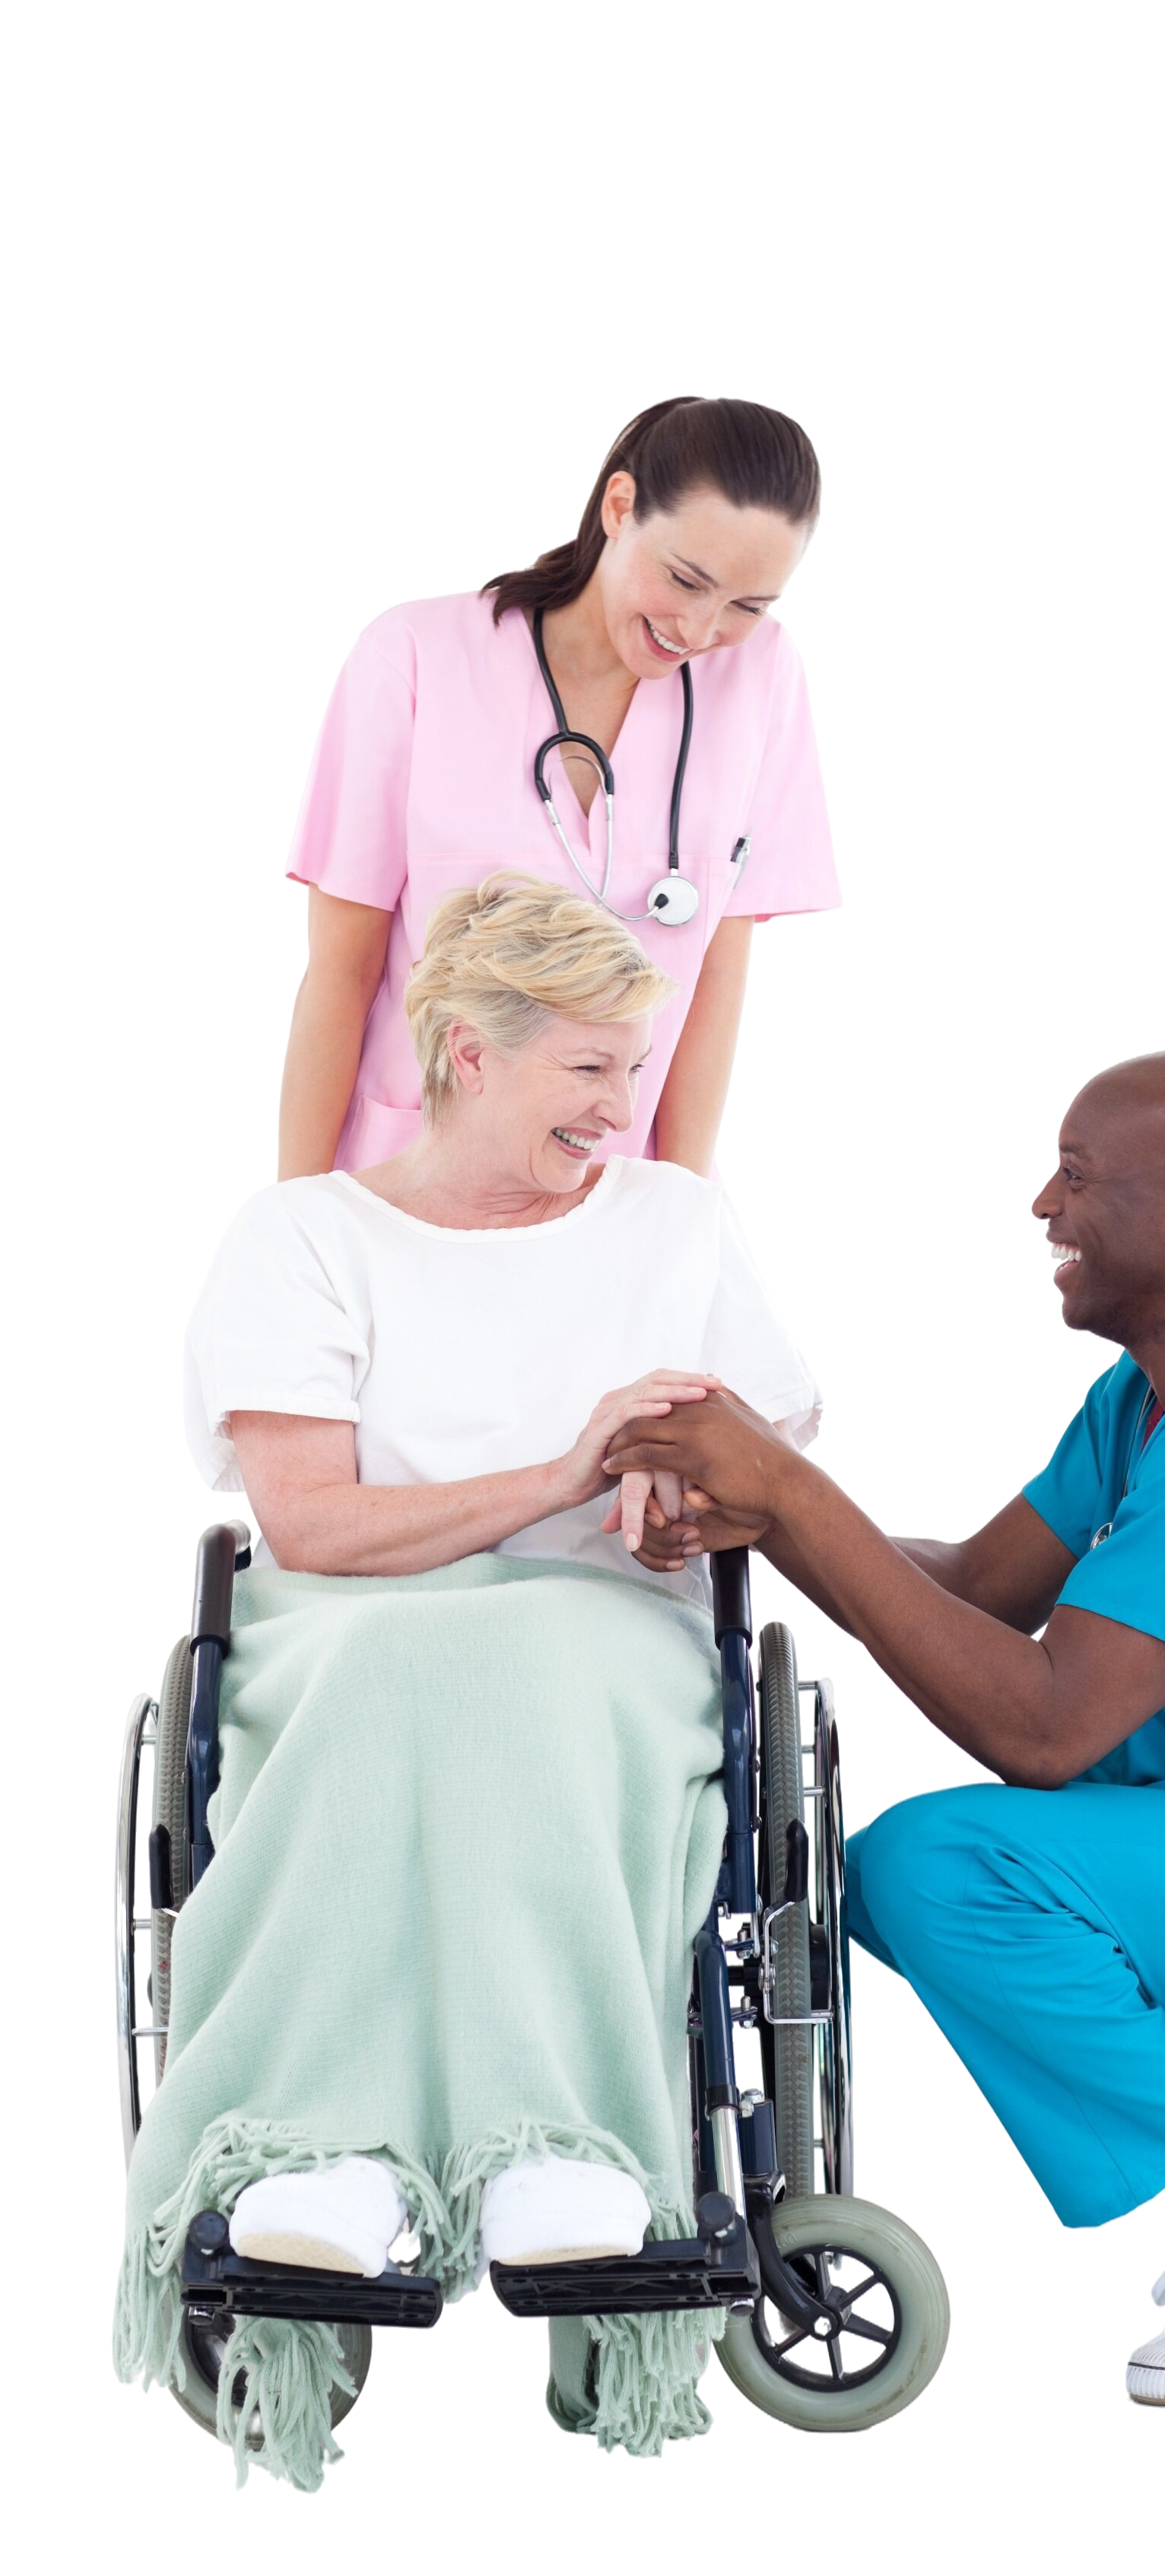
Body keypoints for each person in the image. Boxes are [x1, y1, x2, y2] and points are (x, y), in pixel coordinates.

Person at [601, 1042, 1165, 2417]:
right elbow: (977, 1587)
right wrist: (759, 1522)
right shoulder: (1154, 1390)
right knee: (900, 1879)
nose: (1041, 1202)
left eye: (1078, 1176)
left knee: (939, 1865)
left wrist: (787, 1490)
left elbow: (1040, 1728)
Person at [109, 874, 826, 2492]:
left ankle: (557, 2146)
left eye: (632, 1063)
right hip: (344, 1621)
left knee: (538, 1672)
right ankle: (323, 2149)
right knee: (410, 1670)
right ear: (467, 1052)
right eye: (587, 1067)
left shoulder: (673, 1224)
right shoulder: (299, 1237)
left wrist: (692, 1492)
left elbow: (775, 1444)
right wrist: (566, 1466)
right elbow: (311, 1523)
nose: (622, 1103)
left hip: (608, 1630)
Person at [271, 387, 843, 1183]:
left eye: (748, 604)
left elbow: (722, 966)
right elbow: (340, 970)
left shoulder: (764, 674)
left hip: (616, 1186)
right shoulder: (411, 654)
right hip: (410, 1174)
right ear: (620, 506)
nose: (700, 630)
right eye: (684, 579)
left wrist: (687, 1200)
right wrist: (294, 1212)